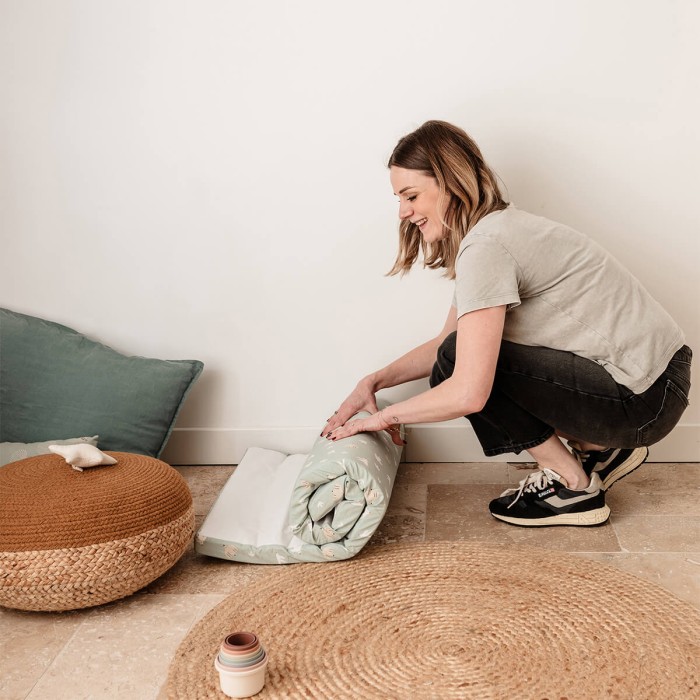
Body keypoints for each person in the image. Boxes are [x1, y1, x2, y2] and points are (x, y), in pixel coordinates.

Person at [321, 120, 692, 528]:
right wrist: (372, 382)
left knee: (458, 361)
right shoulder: (491, 234)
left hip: (644, 398)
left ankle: (573, 486)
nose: (403, 212)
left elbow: (468, 391)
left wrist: (383, 419)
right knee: (456, 350)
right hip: (656, 383)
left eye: (411, 196)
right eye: (399, 198)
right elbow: (446, 341)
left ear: (450, 183)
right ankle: (598, 447)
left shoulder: (487, 247)